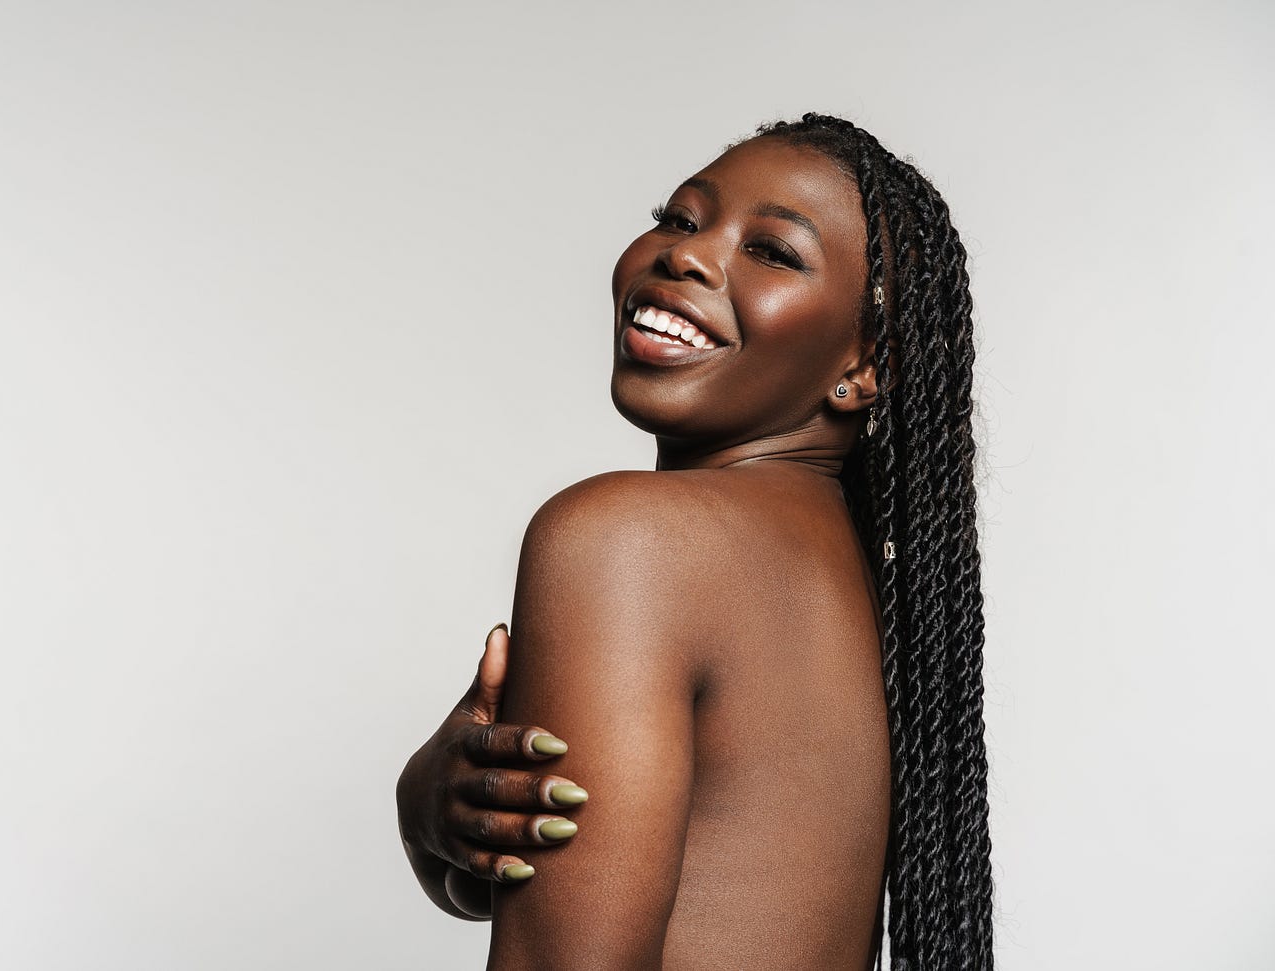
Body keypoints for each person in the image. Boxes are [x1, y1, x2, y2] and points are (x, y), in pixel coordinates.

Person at [396, 113, 994, 971]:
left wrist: (415, 810)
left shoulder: (626, 541)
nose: (687, 254)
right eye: (678, 218)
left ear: (866, 368)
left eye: (774, 251)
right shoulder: (861, 586)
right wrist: (431, 824)